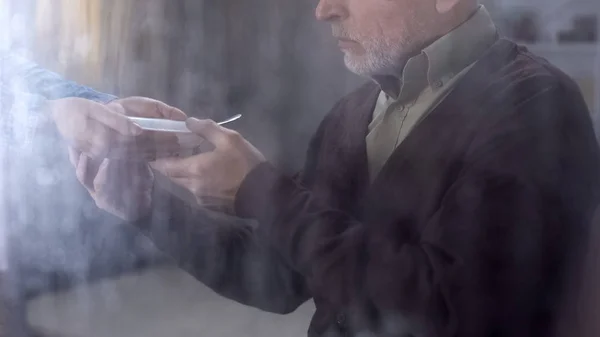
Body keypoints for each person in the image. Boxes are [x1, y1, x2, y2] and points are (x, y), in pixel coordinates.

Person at [8, 1, 600, 337]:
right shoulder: (353, 114)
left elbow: (449, 312)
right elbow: (279, 280)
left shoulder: (536, 106)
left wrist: (262, 193)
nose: (323, 9)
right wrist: (149, 207)